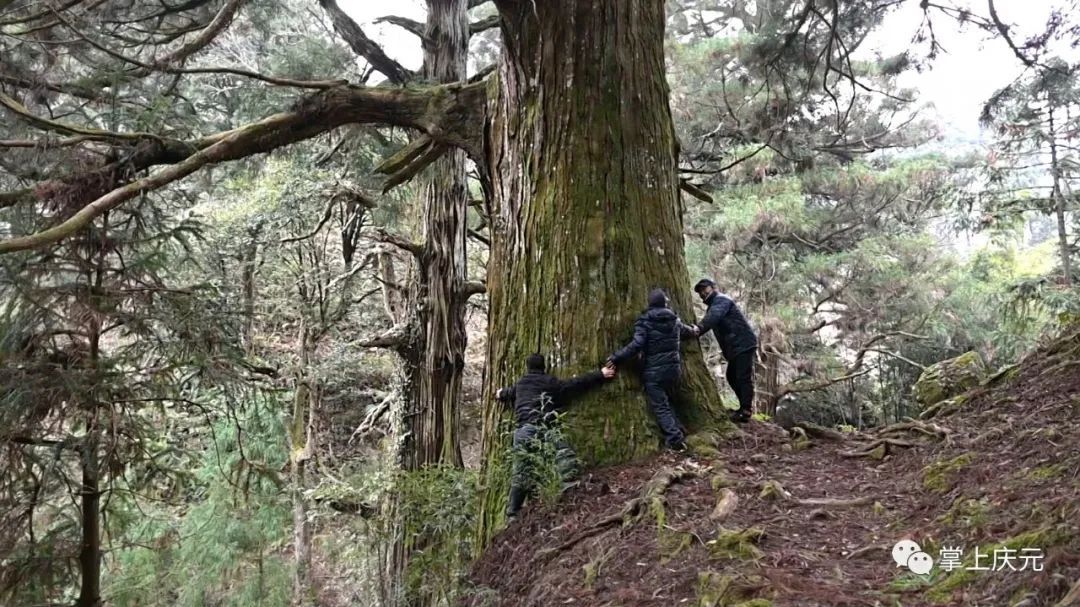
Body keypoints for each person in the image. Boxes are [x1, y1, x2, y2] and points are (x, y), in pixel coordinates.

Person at [495, 353, 616, 519]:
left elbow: (509, 392)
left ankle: (512, 512)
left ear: (528, 367)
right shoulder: (549, 382)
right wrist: (600, 374)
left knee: (521, 470)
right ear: (544, 367)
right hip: (544, 428)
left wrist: (500, 393)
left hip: (523, 430)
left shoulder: (521, 384)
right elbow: (575, 384)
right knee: (564, 453)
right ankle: (568, 485)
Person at [607, 289, 697, 451]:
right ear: (664, 303)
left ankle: (675, 439)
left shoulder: (645, 322)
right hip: (674, 370)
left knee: (661, 405)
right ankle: (678, 429)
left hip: (654, 372)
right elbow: (686, 331)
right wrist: (694, 330)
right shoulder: (674, 320)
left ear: (650, 303)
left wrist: (616, 357)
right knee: (666, 401)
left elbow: (636, 345)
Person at [693, 278, 758, 423]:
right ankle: (743, 408)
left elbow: (713, 317)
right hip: (735, 347)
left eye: (705, 289)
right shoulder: (714, 305)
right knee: (732, 377)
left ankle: (746, 410)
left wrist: (699, 329)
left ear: (713, 287)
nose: (703, 293)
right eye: (700, 292)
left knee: (742, 377)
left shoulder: (721, 300)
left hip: (743, 343)